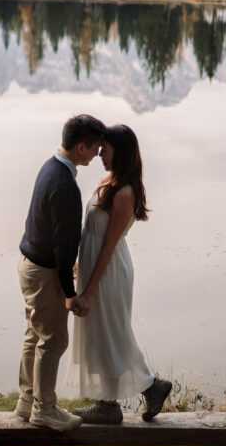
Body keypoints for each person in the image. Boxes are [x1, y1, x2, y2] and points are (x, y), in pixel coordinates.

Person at [67, 124, 172, 424]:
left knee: (112, 334)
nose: (100, 153)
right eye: (100, 148)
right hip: (96, 267)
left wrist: (87, 291)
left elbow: (109, 245)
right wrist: (79, 263)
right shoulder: (111, 181)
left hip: (109, 272)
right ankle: (120, 398)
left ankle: (124, 398)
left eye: (105, 149)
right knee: (104, 334)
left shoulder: (125, 192)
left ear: (121, 151)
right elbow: (94, 234)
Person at [15, 114, 106, 431]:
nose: (97, 154)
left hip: (29, 265)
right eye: (94, 148)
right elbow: (65, 246)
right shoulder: (66, 184)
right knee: (53, 341)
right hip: (45, 272)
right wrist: (70, 293)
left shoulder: (49, 166)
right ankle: (45, 410)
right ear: (82, 147)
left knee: (34, 335)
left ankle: (27, 402)